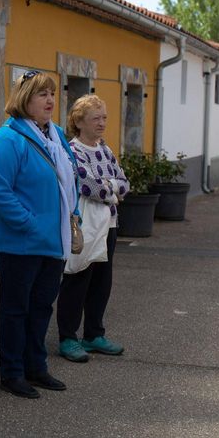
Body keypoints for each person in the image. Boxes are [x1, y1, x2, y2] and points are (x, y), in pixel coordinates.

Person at [0, 70, 78, 399]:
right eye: (42, 94)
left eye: (52, 93)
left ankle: (36, 367)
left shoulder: (57, 136)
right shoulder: (7, 139)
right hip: (21, 243)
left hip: (53, 241)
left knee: (41, 308)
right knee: (15, 310)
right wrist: (29, 223)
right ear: (25, 99)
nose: (51, 100)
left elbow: (70, 179)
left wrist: (73, 212)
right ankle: (11, 373)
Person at [56, 95, 129, 362]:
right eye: (95, 118)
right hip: (84, 225)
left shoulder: (105, 149)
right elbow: (89, 187)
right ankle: (67, 337)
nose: (102, 123)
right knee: (77, 278)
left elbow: (124, 183)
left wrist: (109, 187)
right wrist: (110, 189)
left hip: (108, 223)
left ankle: (93, 334)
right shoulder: (72, 152)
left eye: (104, 117)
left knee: (102, 281)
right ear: (79, 121)